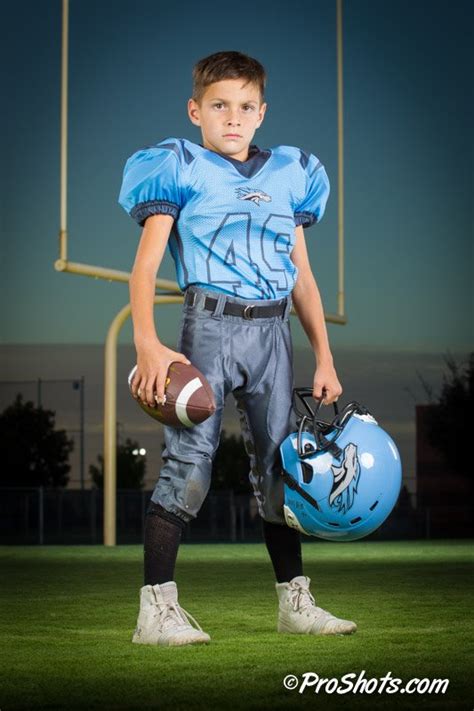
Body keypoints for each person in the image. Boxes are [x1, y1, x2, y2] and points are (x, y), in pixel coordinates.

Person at [118, 50, 357, 646]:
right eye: (219, 106)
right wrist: (147, 344)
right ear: (195, 109)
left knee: (281, 473)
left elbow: (302, 275)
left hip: (274, 334)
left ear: (262, 112)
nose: (233, 118)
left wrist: (324, 355)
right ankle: (156, 612)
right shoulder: (180, 165)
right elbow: (145, 268)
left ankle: (294, 603)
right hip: (210, 328)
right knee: (189, 469)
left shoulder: (291, 172)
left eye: (246, 107)